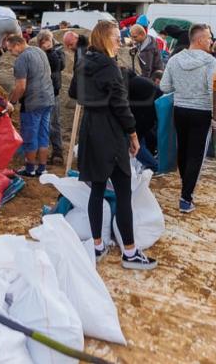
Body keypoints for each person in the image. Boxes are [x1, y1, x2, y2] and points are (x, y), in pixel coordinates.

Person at [69, 20, 157, 270]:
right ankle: (129, 252)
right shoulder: (110, 66)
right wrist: (133, 134)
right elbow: (121, 105)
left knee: (96, 190)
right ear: (104, 39)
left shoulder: (85, 61)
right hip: (110, 131)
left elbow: (74, 92)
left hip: (90, 129)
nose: (121, 41)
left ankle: (97, 246)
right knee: (123, 192)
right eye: (117, 37)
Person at [159, 24, 216, 213]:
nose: (211, 41)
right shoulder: (210, 61)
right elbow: (215, 89)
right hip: (201, 111)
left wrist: (182, 87)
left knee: (184, 150)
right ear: (200, 39)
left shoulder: (175, 59)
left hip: (180, 109)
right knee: (196, 154)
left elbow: (164, 86)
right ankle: (186, 197)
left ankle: (186, 186)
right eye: (209, 37)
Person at [4, 35, 55, 177]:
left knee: (30, 135)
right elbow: (48, 74)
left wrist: (11, 102)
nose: (10, 53)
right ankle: (42, 168)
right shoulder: (39, 52)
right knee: (43, 134)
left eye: (10, 49)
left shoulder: (22, 59)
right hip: (48, 99)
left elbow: (21, 87)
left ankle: (30, 168)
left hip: (33, 102)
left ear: (18, 44)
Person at [123, 68, 162, 172]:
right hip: (152, 110)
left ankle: (154, 167)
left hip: (147, 112)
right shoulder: (138, 81)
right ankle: (150, 164)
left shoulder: (127, 84)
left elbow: (123, 107)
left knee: (136, 141)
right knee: (139, 140)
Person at [37, 30, 65, 163]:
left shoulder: (58, 51)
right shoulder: (38, 52)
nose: (45, 44)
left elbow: (58, 66)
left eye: (47, 41)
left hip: (53, 92)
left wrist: (50, 51)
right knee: (42, 123)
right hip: (40, 92)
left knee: (54, 123)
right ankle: (41, 151)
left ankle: (57, 152)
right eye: (43, 42)